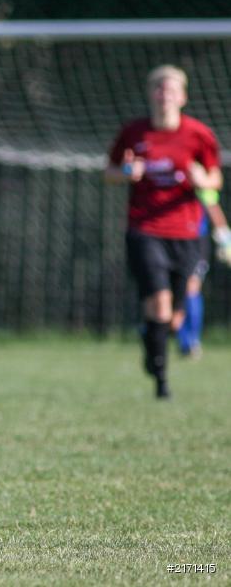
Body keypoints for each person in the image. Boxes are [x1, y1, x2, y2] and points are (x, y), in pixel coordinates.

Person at [105, 64, 223, 398]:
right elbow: (110, 172)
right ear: (150, 94)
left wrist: (204, 180)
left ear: (183, 97)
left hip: (187, 233)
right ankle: (162, 382)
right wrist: (127, 172)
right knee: (159, 303)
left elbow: (215, 178)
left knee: (173, 317)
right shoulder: (134, 133)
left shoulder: (199, 135)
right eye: (159, 89)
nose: (164, 95)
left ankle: (152, 346)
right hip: (145, 229)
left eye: (171, 90)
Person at [176, 191, 231, 358]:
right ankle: (164, 335)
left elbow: (212, 206)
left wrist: (225, 241)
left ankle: (191, 342)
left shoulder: (197, 175)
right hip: (168, 239)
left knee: (192, 286)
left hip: (195, 241)